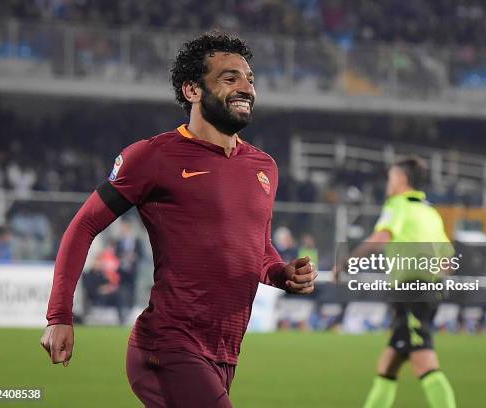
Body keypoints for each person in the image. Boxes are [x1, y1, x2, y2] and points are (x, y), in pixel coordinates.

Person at [40, 32, 318, 407]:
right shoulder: (152, 157)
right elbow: (83, 226)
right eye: (229, 78)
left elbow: (259, 246)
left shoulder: (263, 166)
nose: (246, 88)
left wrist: (282, 274)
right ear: (192, 90)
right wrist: (59, 315)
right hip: (167, 346)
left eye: (250, 79)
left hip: (224, 352)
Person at [335, 157, 456, 408]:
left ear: (401, 179)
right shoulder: (430, 211)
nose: (388, 184)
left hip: (411, 292)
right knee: (388, 363)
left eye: (391, 178)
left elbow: (381, 237)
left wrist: (345, 263)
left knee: (424, 361)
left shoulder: (398, 205)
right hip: (428, 290)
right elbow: (448, 259)